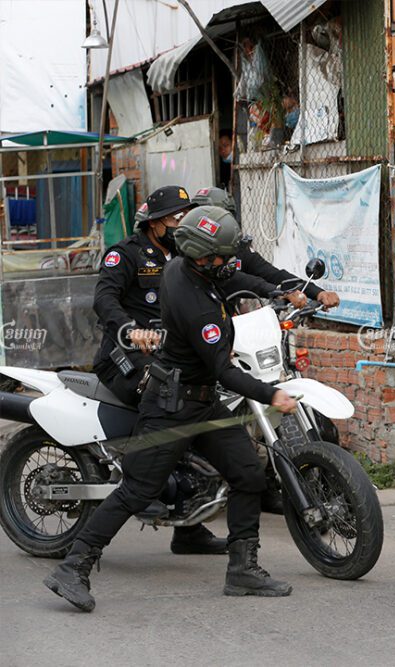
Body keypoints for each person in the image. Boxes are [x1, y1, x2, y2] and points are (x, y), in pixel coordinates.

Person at [44, 206, 298, 612]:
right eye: (221, 255)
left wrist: (280, 289)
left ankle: (243, 570)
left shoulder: (185, 268)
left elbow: (236, 277)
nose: (228, 261)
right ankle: (73, 568)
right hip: (171, 407)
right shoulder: (194, 302)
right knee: (137, 490)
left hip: (200, 400)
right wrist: (271, 395)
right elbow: (224, 370)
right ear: (201, 255)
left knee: (248, 473)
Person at [190, 187, 341, 312]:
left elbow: (272, 274)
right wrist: (278, 291)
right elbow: (234, 280)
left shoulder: (237, 249)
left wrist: (318, 293)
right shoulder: (190, 255)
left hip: (228, 325)